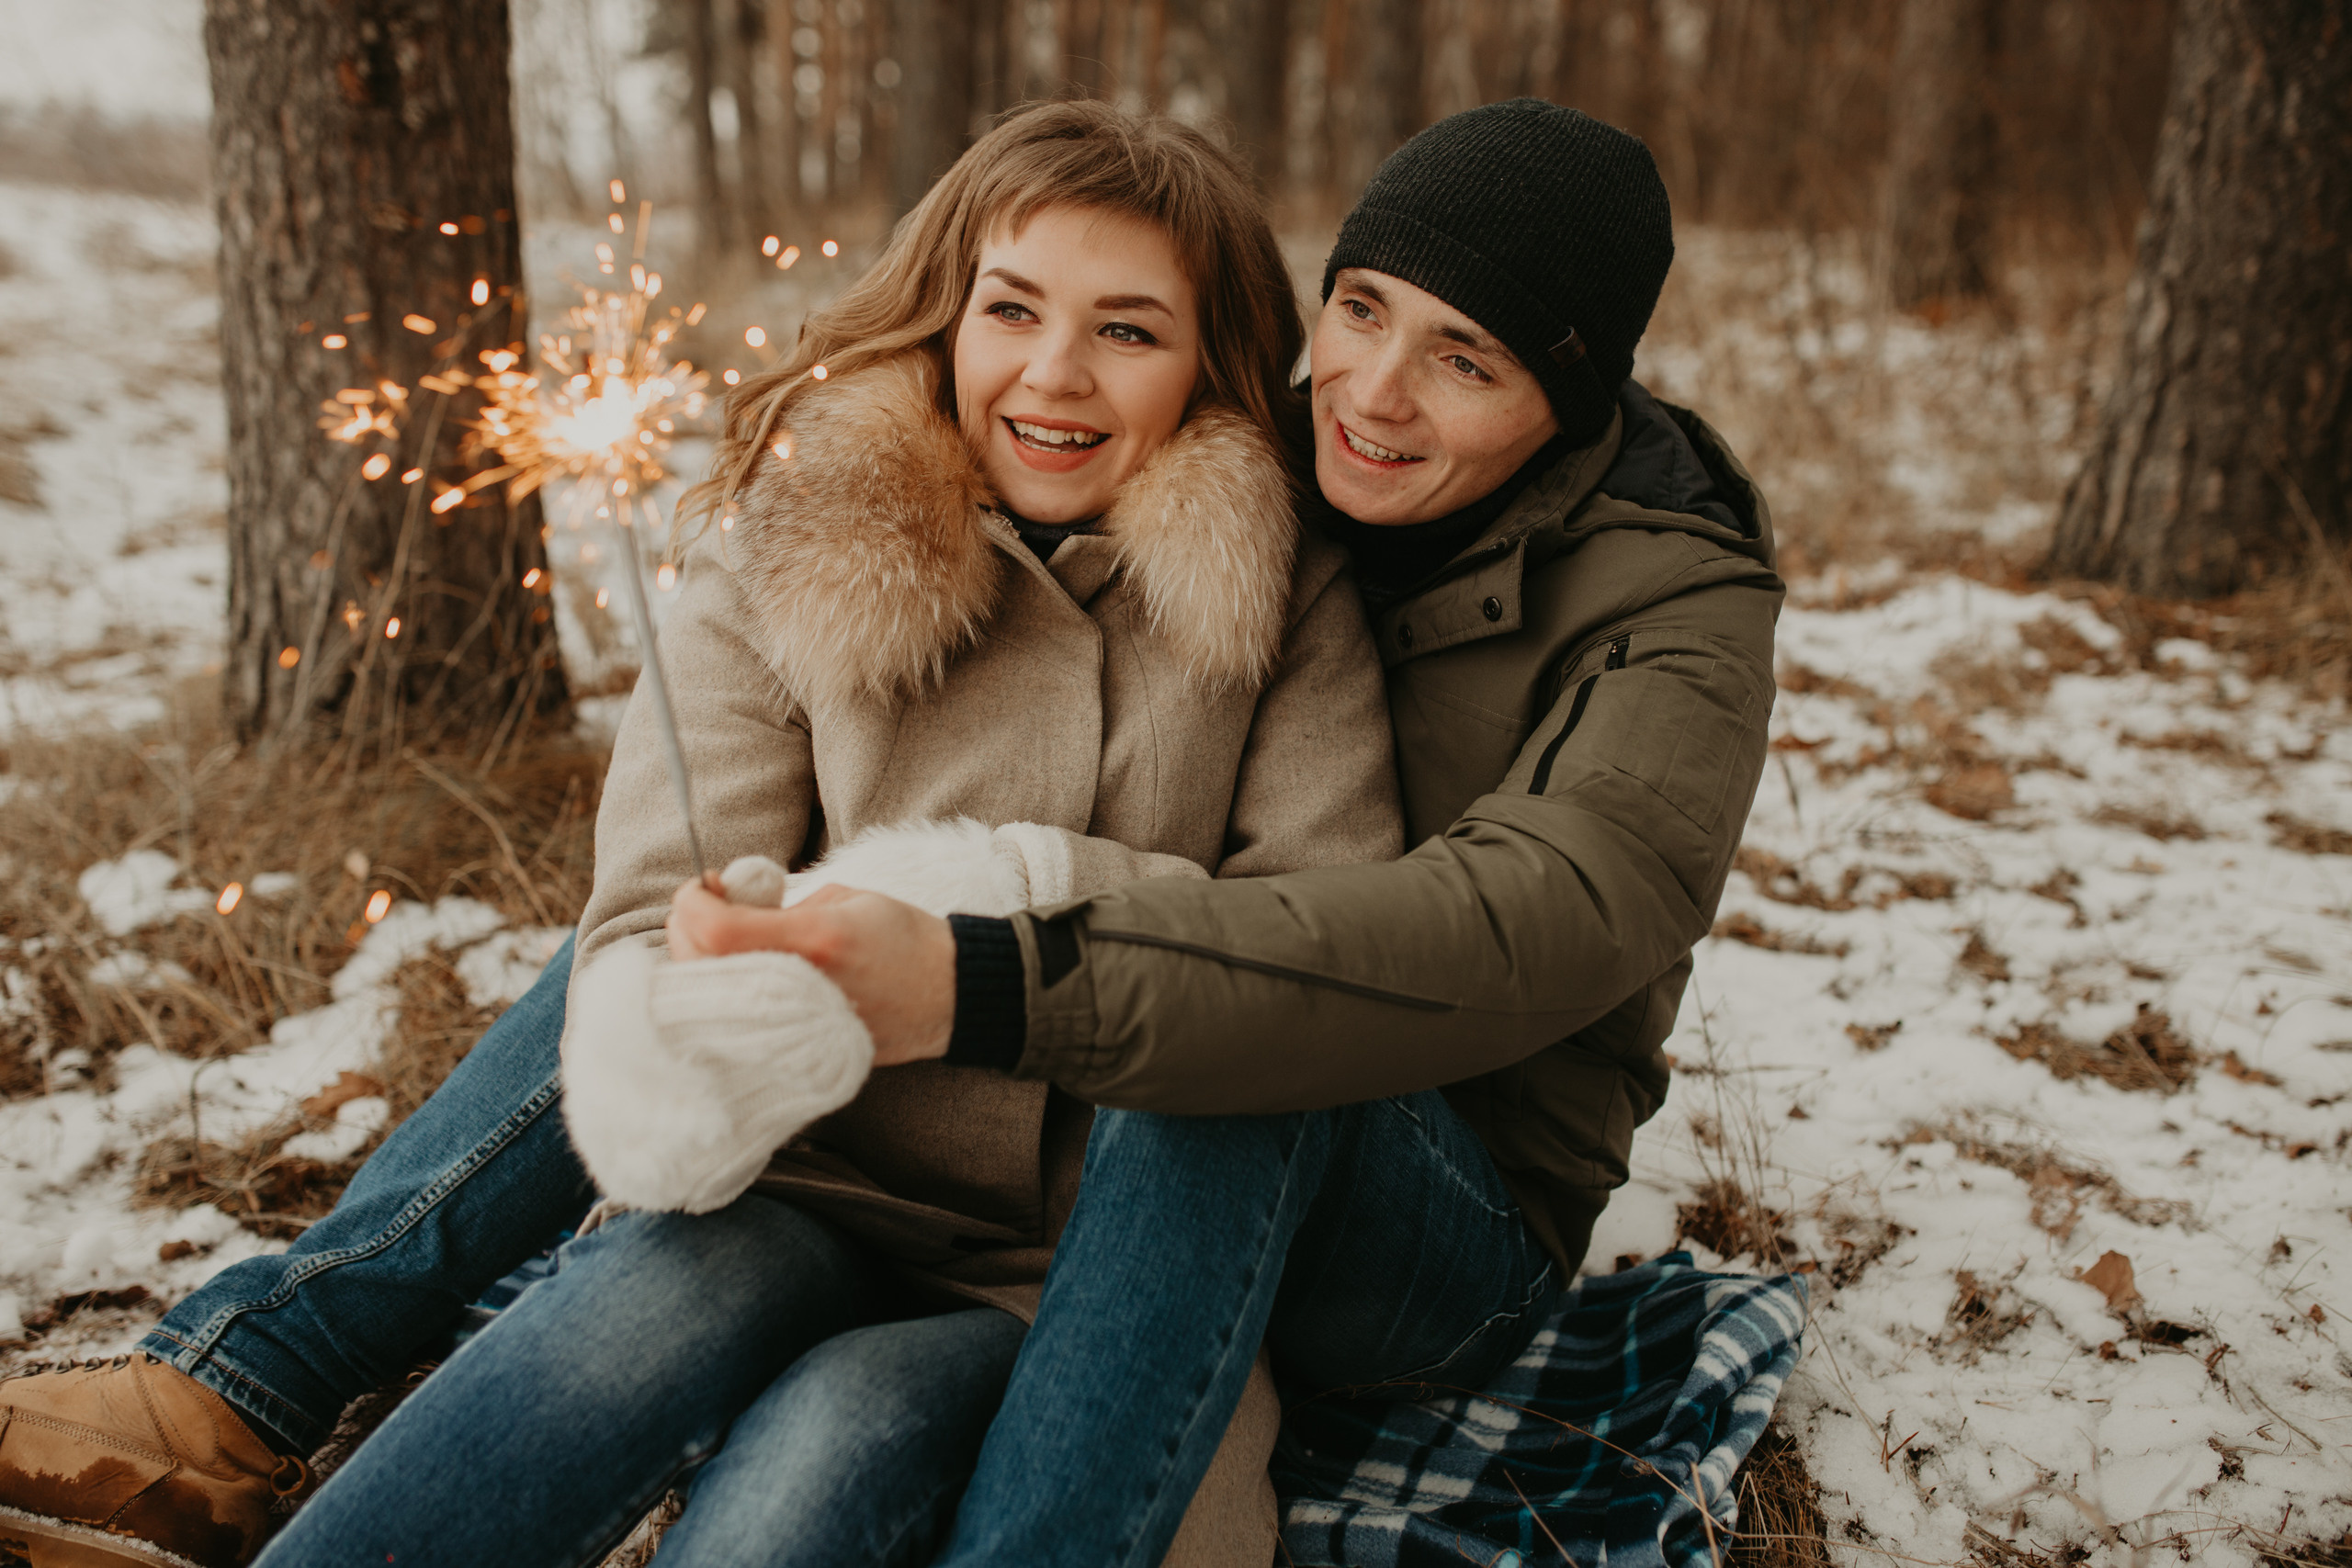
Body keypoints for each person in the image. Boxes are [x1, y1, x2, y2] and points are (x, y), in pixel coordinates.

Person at [0, 96, 1781, 1568]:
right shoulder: (811, 539)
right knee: (654, 1291)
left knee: (876, 1392)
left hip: (1275, 1186)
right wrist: (691, 1017)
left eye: (1460, 358)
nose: (1375, 390)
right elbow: (644, 911)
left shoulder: (1518, 594)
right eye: (1363, 311)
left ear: (1570, 394)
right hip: (847, 1154)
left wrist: (987, 898)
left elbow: (1467, 911)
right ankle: (241, 1401)